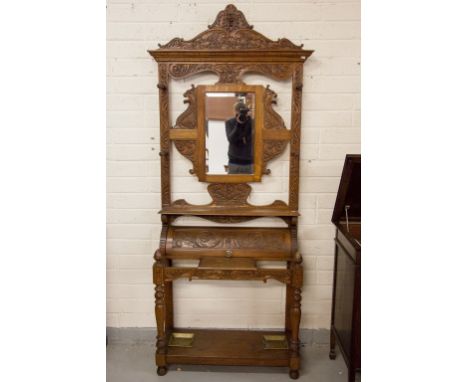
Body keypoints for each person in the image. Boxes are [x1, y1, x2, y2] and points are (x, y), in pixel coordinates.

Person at [225, 101, 254, 174]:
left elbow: (251, 138)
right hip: (234, 161)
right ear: (236, 112)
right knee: (232, 185)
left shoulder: (252, 122)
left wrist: (249, 120)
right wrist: (238, 124)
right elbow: (231, 139)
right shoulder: (230, 122)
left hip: (249, 161)